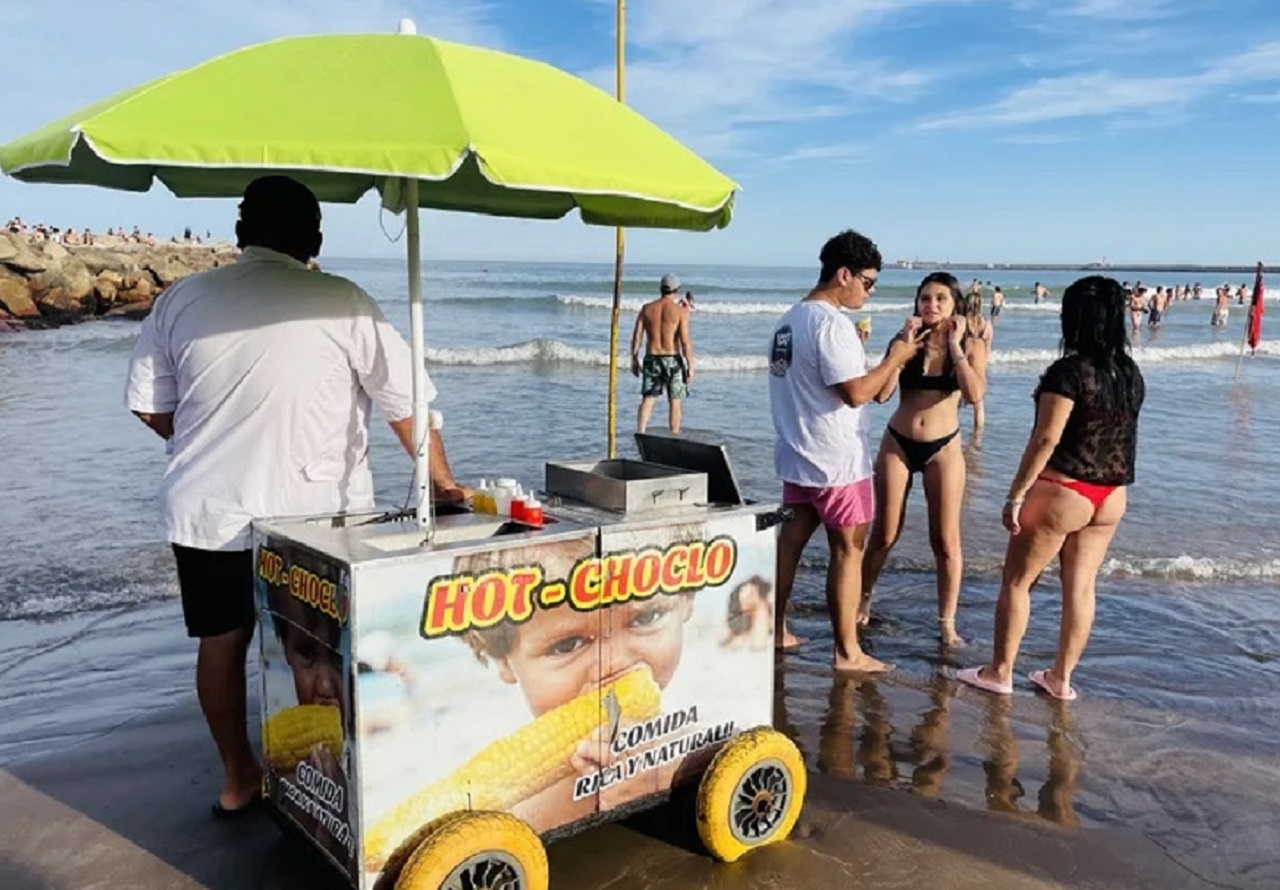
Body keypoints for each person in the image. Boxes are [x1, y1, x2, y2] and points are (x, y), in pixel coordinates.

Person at [124, 175, 467, 817]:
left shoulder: (181, 299)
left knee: (222, 642)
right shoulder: (342, 301)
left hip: (209, 512)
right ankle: (337, 779)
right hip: (317, 519)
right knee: (328, 646)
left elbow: (149, 404)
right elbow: (407, 404)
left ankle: (238, 778)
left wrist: (200, 436)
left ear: (239, 232)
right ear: (314, 237)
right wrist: (442, 484)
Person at [958, 276, 1145, 701]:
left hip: (1064, 489)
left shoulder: (1069, 373)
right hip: (1111, 494)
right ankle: (1060, 678)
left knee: (1017, 582)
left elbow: (1046, 439)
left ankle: (999, 671)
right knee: (1081, 587)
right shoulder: (1129, 373)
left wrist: (1016, 494)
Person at [768, 229, 923, 673]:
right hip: (836, 460)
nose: (870, 292)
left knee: (789, 545)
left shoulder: (787, 321)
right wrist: (896, 358)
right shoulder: (831, 324)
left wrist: (884, 359)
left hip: (797, 453)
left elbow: (825, 383)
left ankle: (774, 630)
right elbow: (856, 393)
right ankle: (847, 652)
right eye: (868, 282)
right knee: (848, 552)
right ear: (843, 275)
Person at [859, 273, 988, 647]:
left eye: (940, 299)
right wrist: (901, 350)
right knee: (884, 533)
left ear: (954, 304)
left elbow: (974, 394)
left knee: (945, 540)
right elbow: (882, 395)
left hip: (944, 448)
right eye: (925, 299)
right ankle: (863, 599)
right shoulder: (904, 342)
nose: (931, 305)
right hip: (898, 443)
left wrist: (955, 347)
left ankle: (947, 622)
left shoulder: (971, 345)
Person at [630, 272, 694, 434]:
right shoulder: (681, 312)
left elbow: (636, 336)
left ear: (661, 289)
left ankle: (641, 432)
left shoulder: (647, 309)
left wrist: (634, 359)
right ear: (677, 290)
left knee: (648, 399)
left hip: (652, 358)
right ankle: (674, 435)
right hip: (672, 359)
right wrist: (691, 366)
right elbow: (685, 342)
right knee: (675, 402)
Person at [963, 289, 993, 430]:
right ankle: (978, 432)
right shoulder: (985, 324)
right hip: (979, 355)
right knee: (979, 403)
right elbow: (988, 347)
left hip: (965, 352)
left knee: (954, 396)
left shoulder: (963, 321)